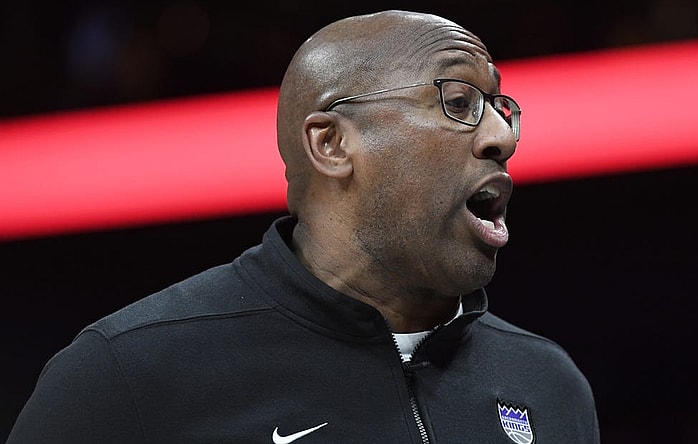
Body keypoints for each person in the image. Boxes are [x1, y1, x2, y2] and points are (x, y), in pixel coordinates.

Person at [8, 10, 599, 443]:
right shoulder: (125, 377)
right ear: (332, 143)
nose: (502, 136)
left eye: (502, 109)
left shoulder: (548, 386)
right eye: (460, 102)